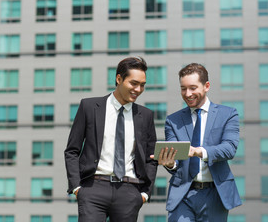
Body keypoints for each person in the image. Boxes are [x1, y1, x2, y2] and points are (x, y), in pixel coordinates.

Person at [64, 56, 158, 222]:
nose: (138, 89)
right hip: (93, 188)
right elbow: (72, 150)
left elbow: (151, 158)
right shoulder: (89, 107)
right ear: (119, 79)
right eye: (133, 83)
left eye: (142, 85)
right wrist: (77, 188)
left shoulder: (146, 115)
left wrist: (144, 194)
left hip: (129, 191)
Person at [153, 63, 242, 222]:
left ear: (206, 86)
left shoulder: (228, 114)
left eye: (193, 88)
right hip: (183, 194)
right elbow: (177, 160)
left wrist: (198, 151)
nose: (187, 94)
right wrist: (170, 163)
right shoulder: (173, 121)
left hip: (215, 194)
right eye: (183, 88)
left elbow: (229, 148)